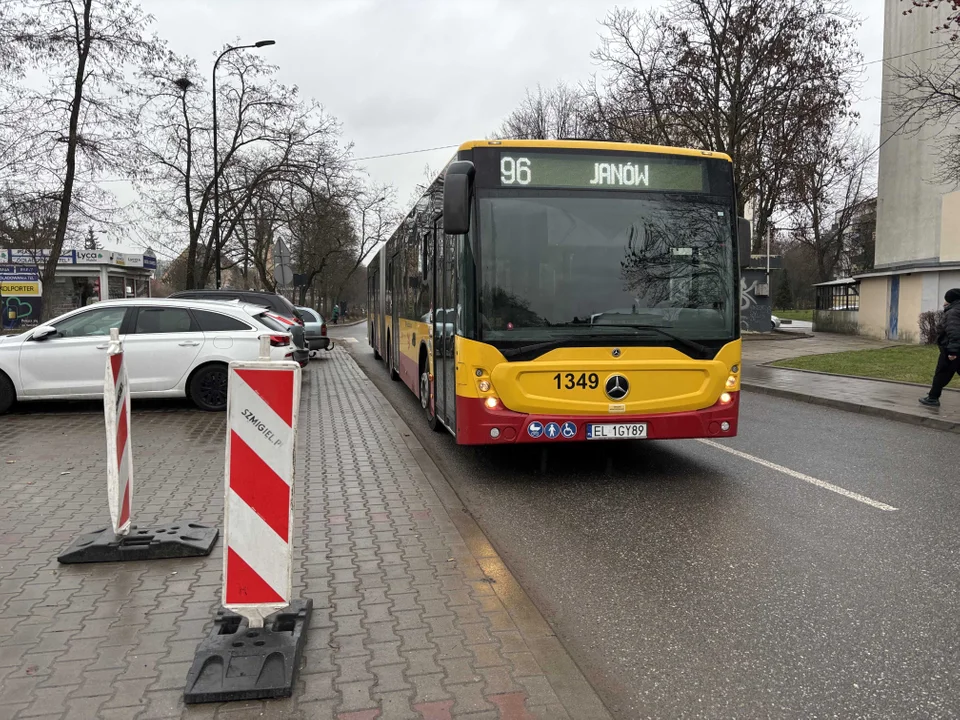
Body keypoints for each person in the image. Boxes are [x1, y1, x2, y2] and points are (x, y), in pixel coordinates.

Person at [919, 288, 960, 407]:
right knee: (942, 373)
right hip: (955, 349)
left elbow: (955, 332)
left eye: (946, 299)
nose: (944, 302)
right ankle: (933, 396)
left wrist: (952, 351)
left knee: (941, 373)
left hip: (952, 349)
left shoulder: (953, 312)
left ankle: (932, 398)